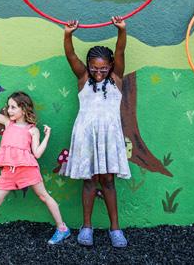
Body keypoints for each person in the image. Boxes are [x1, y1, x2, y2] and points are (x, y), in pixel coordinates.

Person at [0, 81, 70, 249]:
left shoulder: (33, 130)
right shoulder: (7, 123)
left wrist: (47, 136)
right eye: (8, 106)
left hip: (28, 169)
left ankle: (62, 228)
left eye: (13, 107)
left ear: (23, 109)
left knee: (44, 196)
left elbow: (37, 153)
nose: (9, 110)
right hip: (8, 171)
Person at [62, 17, 131, 248]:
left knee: (108, 181)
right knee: (89, 181)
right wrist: (67, 35)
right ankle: (87, 227)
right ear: (88, 66)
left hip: (109, 137)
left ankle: (115, 228)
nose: (98, 72)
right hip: (86, 135)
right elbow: (71, 56)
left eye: (103, 68)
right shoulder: (83, 78)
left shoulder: (116, 79)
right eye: (94, 68)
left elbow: (120, 51)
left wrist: (122, 31)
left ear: (111, 66)